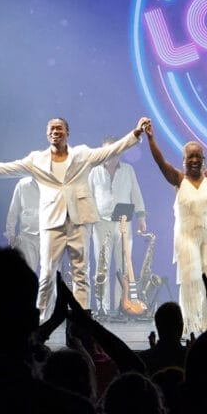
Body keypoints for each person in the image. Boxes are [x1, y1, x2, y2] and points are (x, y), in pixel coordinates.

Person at [0, 116, 149, 318]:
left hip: (79, 221)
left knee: (80, 275)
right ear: (47, 134)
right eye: (52, 129)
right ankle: (40, 322)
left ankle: (80, 325)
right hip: (51, 222)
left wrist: (135, 133)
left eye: (59, 128)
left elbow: (111, 150)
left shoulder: (82, 154)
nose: (55, 132)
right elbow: (8, 168)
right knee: (47, 274)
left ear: (67, 133)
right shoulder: (36, 159)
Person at [145, 121, 207, 337]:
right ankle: (189, 322)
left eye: (198, 157)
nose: (194, 160)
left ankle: (206, 322)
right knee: (190, 280)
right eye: (190, 157)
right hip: (186, 240)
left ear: (204, 160)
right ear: (183, 160)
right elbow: (160, 161)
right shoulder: (178, 178)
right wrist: (150, 139)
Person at [88, 135, 148, 315]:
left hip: (124, 224)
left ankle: (122, 306)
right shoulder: (94, 171)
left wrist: (141, 217)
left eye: (115, 149)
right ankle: (102, 307)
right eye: (108, 150)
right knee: (102, 267)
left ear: (120, 151)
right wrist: (90, 221)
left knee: (123, 266)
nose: (112, 153)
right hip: (101, 224)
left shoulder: (128, 170)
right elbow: (89, 196)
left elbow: (136, 193)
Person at [3, 176, 40, 273]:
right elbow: (13, 211)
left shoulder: (54, 184)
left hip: (49, 235)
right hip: (27, 236)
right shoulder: (22, 184)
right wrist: (11, 235)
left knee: (51, 275)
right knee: (28, 272)